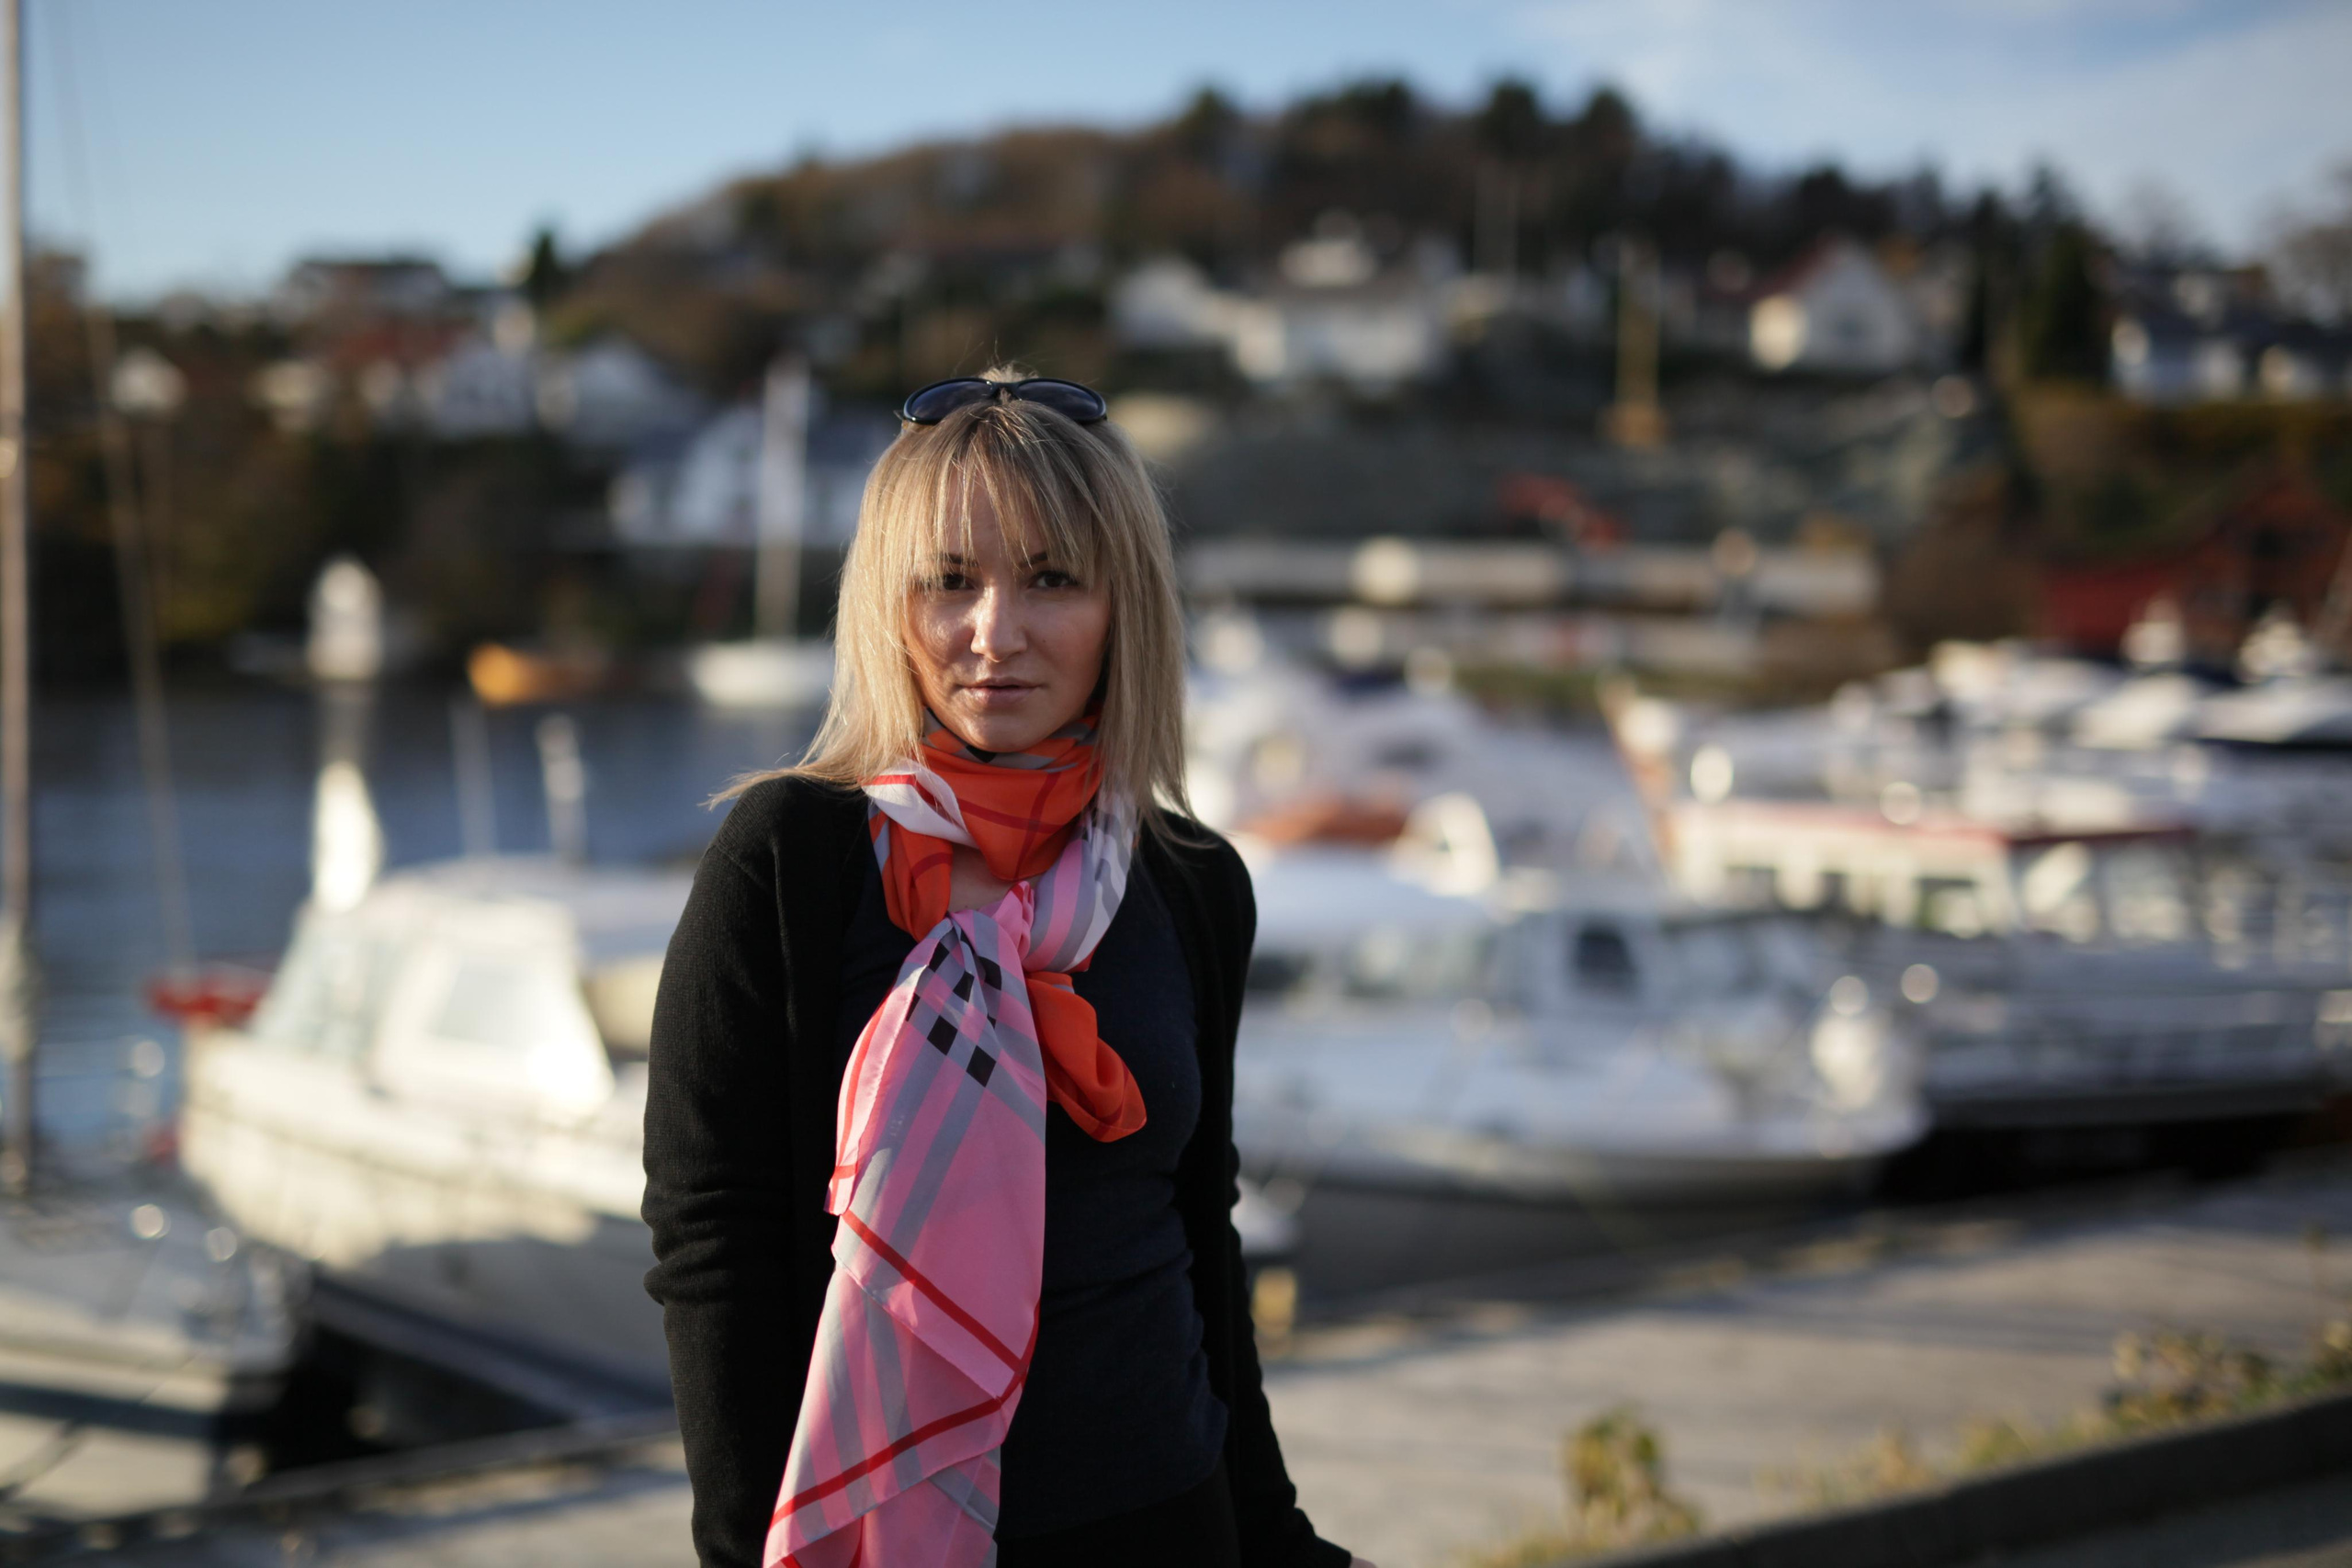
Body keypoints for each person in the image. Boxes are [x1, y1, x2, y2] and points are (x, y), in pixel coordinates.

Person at [644, 371, 1372, 1568]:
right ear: (891, 607)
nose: (996, 632)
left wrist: (1279, 1543)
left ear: (1124, 604)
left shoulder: (1190, 882)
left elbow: (1201, 1236)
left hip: (1171, 1522)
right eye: (948, 582)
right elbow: (714, 1248)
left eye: (1052, 579)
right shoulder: (789, 861)